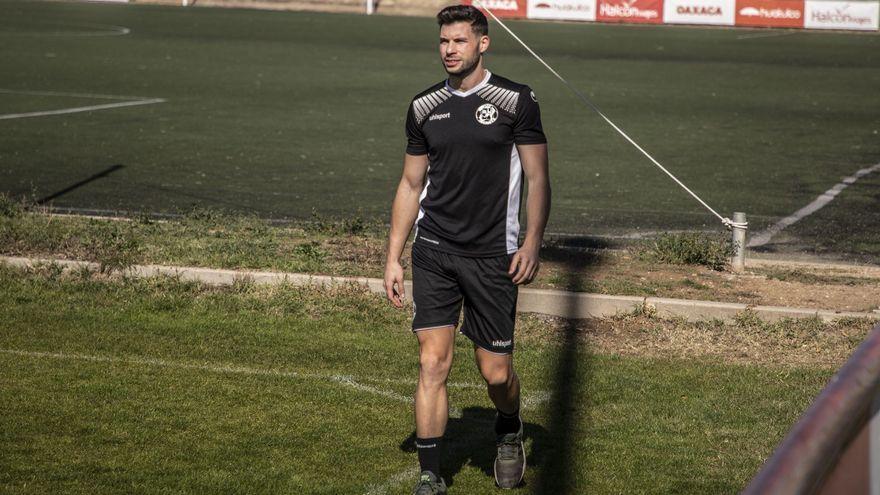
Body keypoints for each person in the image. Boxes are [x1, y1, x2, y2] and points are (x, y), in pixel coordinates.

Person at [383, 4, 550, 493]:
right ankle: (431, 476)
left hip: (492, 256)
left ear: (482, 43)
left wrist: (532, 242)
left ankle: (509, 426)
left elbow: (538, 177)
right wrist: (393, 255)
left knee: (494, 372)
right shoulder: (422, 106)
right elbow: (411, 185)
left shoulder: (517, 100)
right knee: (433, 361)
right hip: (434, 249)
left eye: (458, 41)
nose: (449, 50)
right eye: (443, 41)